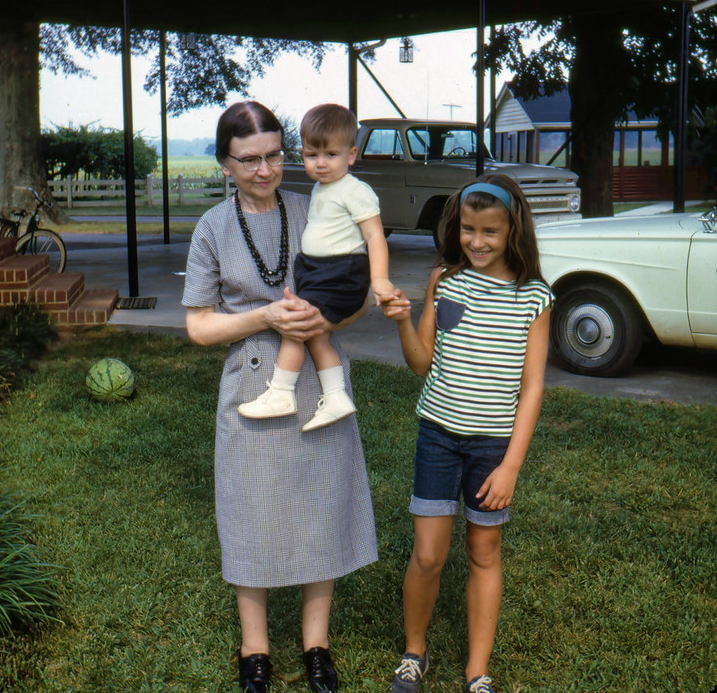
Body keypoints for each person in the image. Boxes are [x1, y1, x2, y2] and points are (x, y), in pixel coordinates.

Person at [182, 101, 378, 693]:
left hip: (319, 384)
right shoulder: (212, 228)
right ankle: (255, 648)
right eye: (249, 161)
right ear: (224, 164)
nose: (265, 171)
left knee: (321, 505)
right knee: (252, 511)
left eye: (274, 156)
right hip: (251, 384)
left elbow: (356, 291)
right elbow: (198, 326)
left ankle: (317, 644)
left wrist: (323, 319)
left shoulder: (317, 203)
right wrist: (267, 315)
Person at [381, 174, 552, 693]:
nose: (476, 242)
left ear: (512, 232)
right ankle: (415, 653)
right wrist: (404, 321)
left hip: (492, 449)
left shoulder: (534, 297)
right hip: (438, 437)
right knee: (429, 554)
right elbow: (420, 364)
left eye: (490, 232)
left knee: (484, 552)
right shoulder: (444, 281)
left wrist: (511, 466)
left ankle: (478, 672)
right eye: (468, 230)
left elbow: (533, 388)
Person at [238, 103, 395, 431]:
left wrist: (379, 279)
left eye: (330, 155)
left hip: (341, 273)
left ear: (351, 155)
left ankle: (281, 393)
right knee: (315, 334)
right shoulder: (324, 188)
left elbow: (375, 237)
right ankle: (336, 396)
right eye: (311, 155)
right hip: (318, 271)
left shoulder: (356, 191)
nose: (320, 163)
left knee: (297, 326)